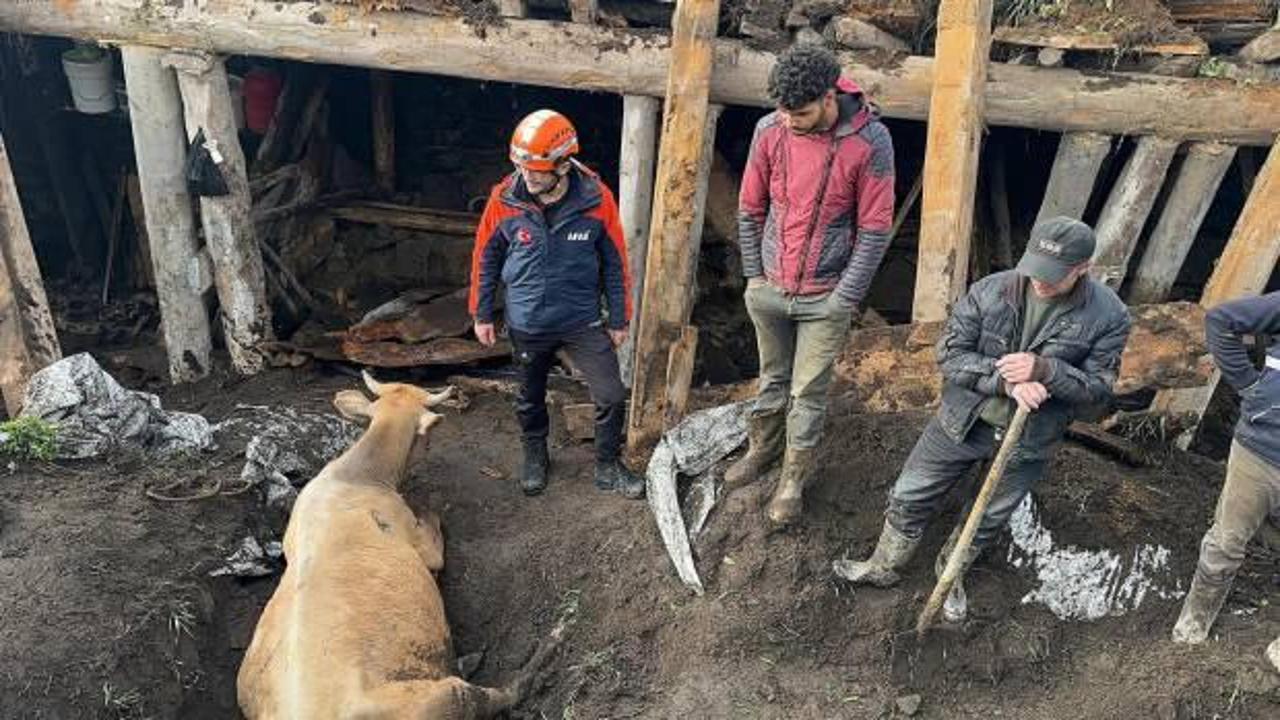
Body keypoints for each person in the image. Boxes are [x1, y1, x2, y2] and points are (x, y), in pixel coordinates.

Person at [833, 217, 1132, 623]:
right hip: (962, 421)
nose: (1040, 282)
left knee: (986, 517)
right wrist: (1006, 384)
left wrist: (1047, 371)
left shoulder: (1108, 315)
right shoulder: (992, 291)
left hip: (1029, 437)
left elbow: (1099, 387)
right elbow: (951, 355)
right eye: (1035, 269)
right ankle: (884, 564)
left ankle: (949, 573)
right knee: (909, 493)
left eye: (1054, 276)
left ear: (1083, 269)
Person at [728, 43, 896, 526]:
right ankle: (762, 453)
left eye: (799, 113)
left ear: (828, 97)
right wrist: (755, 276)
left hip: (826, 295)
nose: (790, 122)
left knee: (808, 392)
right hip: (770, 287)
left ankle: (792, 481)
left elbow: (875, 227)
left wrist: (845, 296)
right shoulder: (769, 130)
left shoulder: (872, 142)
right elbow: (749, 208)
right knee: (772, 380)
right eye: (782, 112)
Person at [468, 109, 643, 499]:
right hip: (528, 318)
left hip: (581, 319)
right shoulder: (505, 199)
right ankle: (534, 454)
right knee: (529, 394)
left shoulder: (597, 199)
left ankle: (607, 464)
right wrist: (481, 312)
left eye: (536, 171)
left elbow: (616, 262)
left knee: (611, 394)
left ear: (563, 164)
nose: (526, 178)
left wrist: (619, 317)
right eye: (521, 168)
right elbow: (486, 256)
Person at [1172, 291, 1279, 673]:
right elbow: (1220, 321)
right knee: (1226, 541)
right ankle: (1193, 624)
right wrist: (1252, 388)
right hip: (1260, 450)